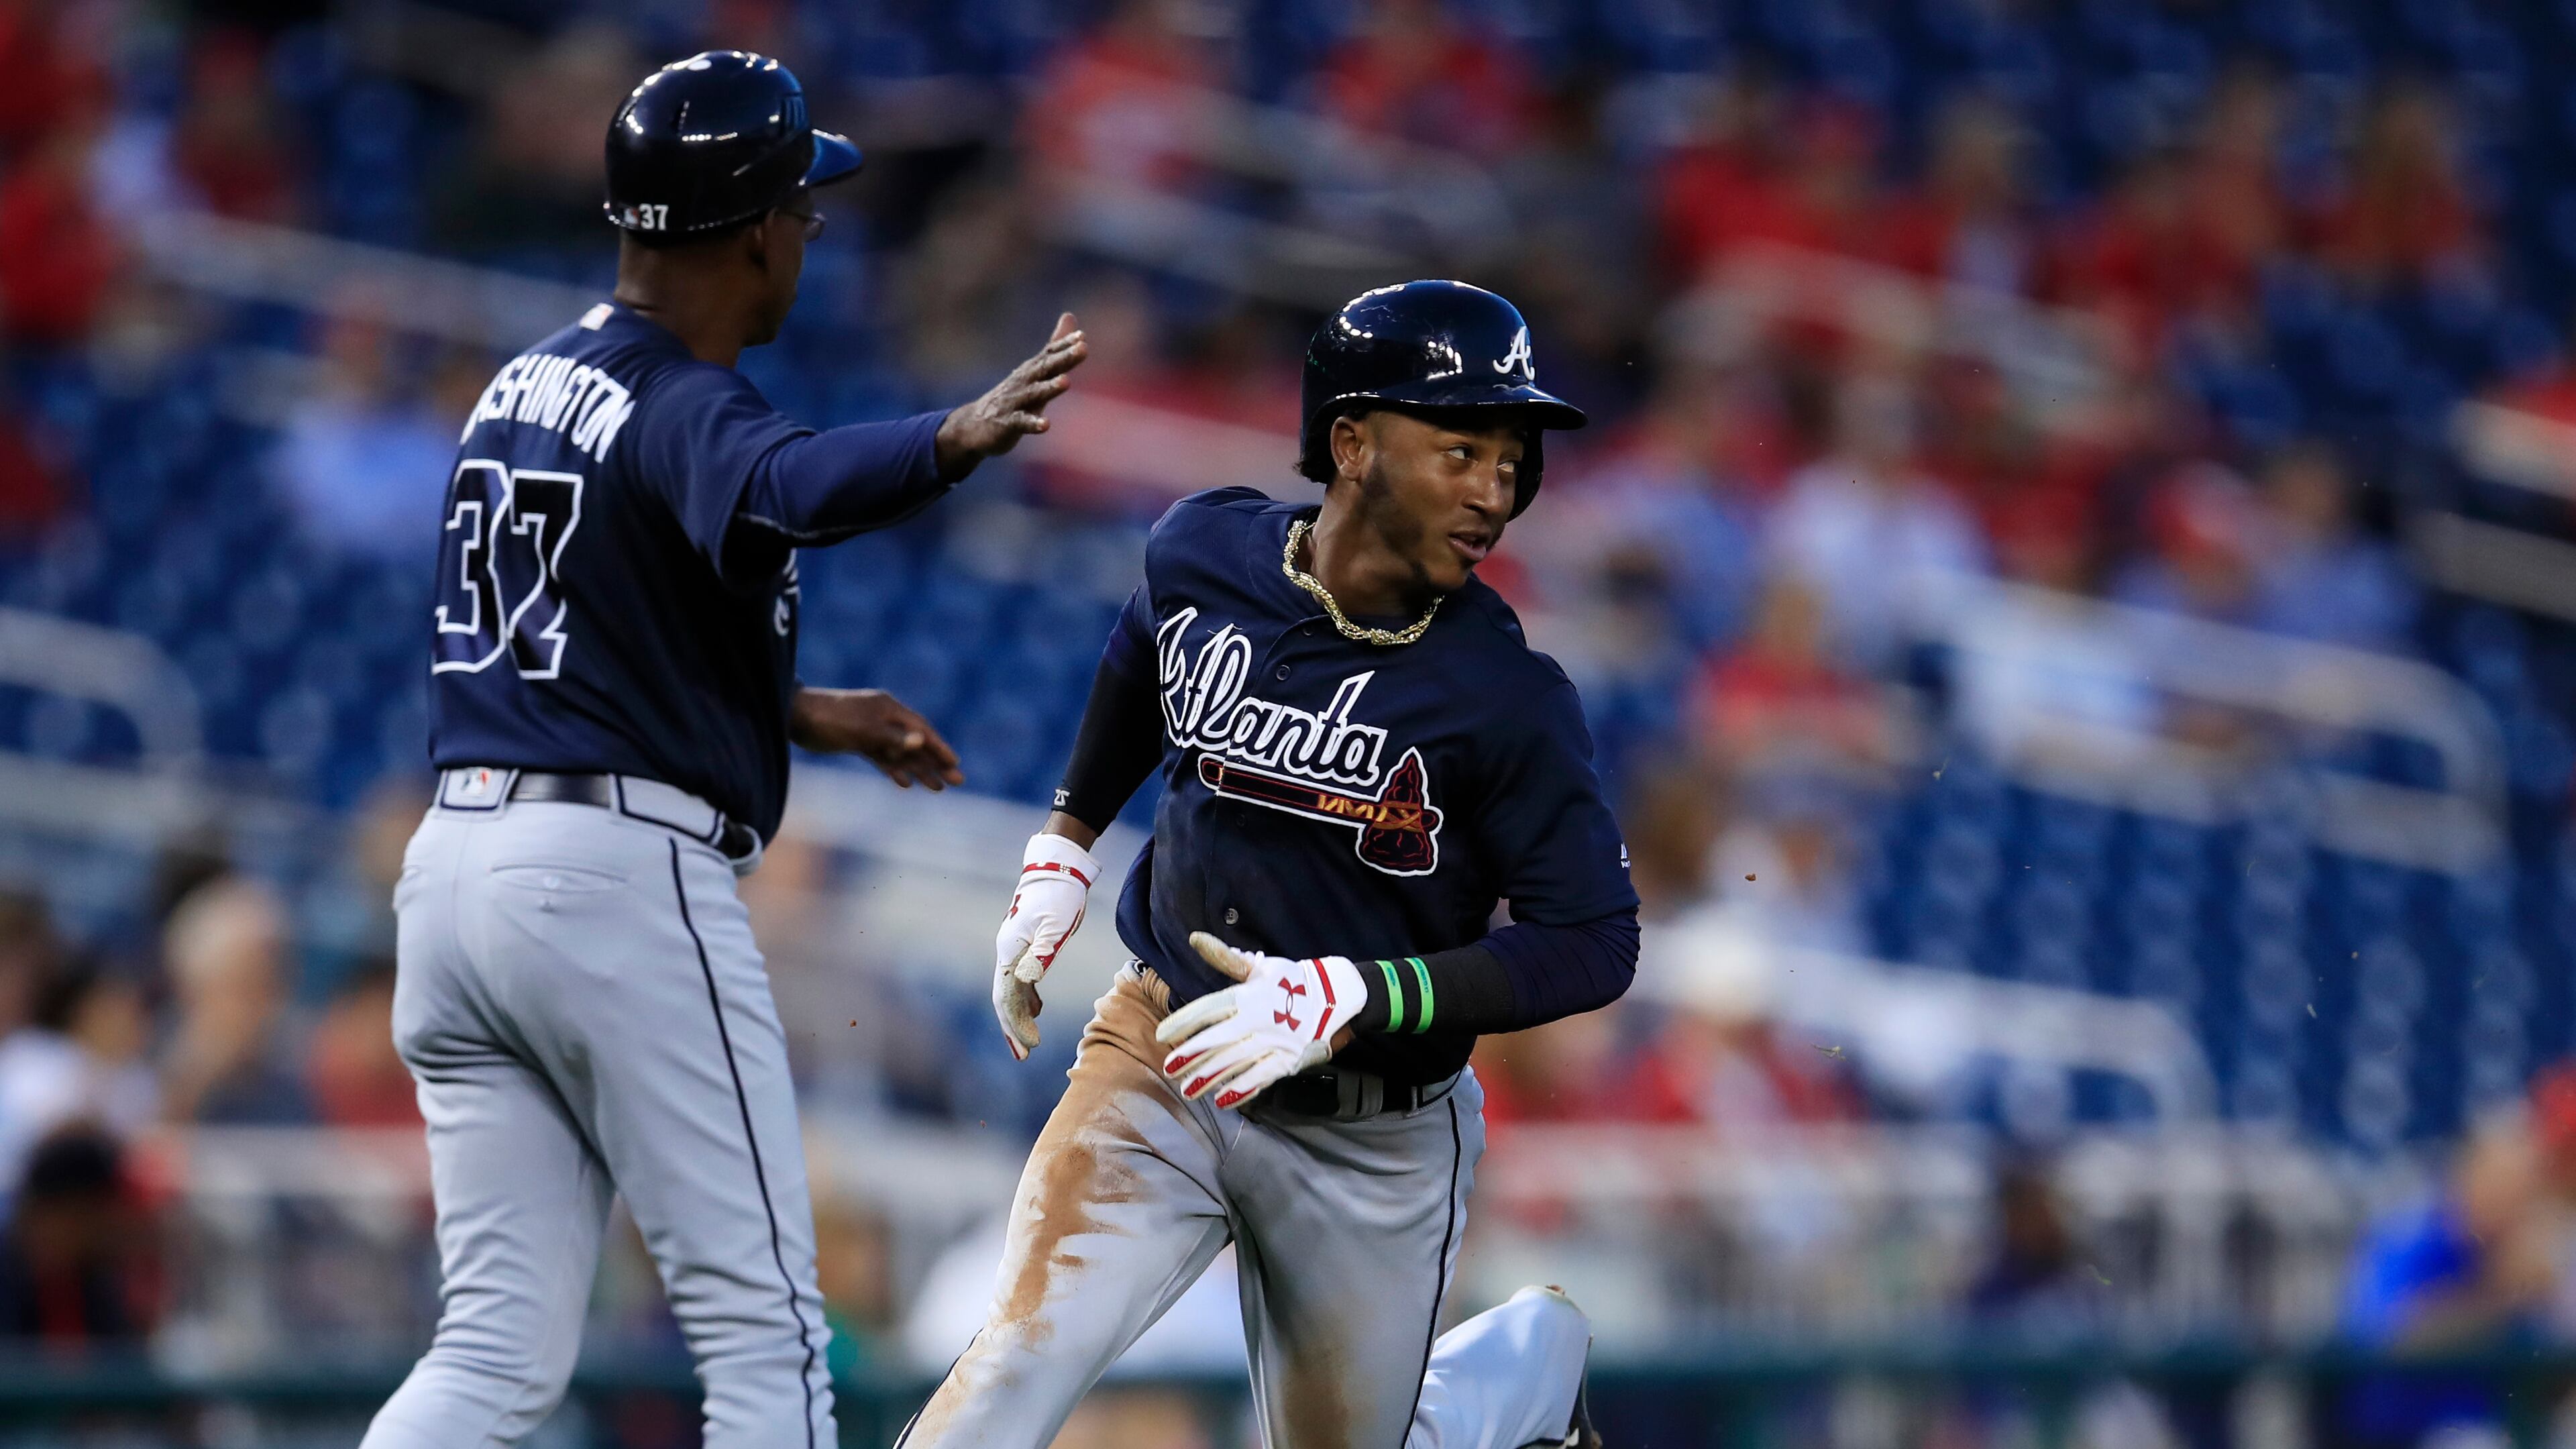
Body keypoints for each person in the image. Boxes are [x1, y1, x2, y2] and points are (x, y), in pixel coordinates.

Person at [362, 52, 1088, 1449]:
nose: (809, 240)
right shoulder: (686, 400)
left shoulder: (525, 379)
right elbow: (786, 486)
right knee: (768, 1342)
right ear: (752, 229)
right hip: (609, 879)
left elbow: (565, 635)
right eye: (801, 216)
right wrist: (948, 436)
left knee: (495, 1351)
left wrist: (802, 711)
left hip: (456, 873)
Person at [910, 282, 1636, 1449]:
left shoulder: (1512, 700)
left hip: (1373, 1131)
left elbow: (1597, 941)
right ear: (1351, 443)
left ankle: (1516, 1375)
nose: (1496, 489)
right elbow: (1144, 645)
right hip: (1166, 1051)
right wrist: (1065, 841)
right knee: (1008, 1378)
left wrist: (1361, 992)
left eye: (1512, 457)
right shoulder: (1206, 548)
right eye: (1461, 447)